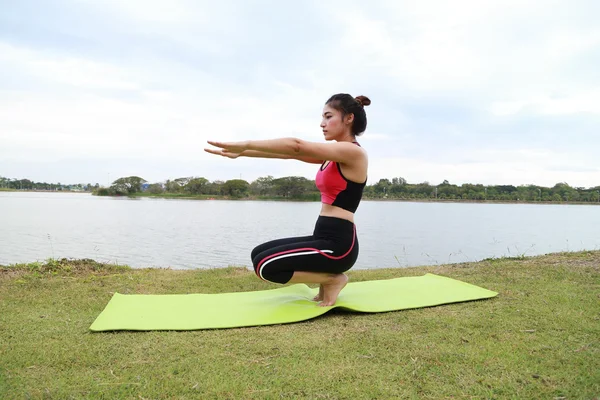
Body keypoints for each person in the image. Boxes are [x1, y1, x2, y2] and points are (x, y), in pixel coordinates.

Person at [204, 93, 370, 306]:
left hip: (340, 245)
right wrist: (244, 152)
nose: (322, 124)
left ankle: (333, 279)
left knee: (265, 266)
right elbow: (290, 154)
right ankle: (327, 279)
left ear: (349, 119)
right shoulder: (332, 154)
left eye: (329, 117)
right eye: (323, 117)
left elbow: (296, 146)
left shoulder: (352, 152)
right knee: (258, 254)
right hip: (323, 235)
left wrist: (245, 142)